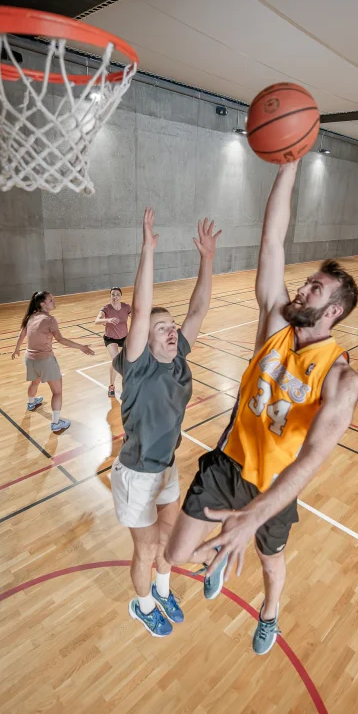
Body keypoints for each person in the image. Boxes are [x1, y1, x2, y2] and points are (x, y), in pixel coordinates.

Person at [165, 161, 358, 654]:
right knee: (176, 554)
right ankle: (222, 550)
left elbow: (312, 458)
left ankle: (270, 612)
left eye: (314, 288)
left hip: (274, 487)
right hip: (228, 462)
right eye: (307, 281)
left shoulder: (340, 377)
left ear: (333, 311)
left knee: (271, 561)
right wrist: (289, 165)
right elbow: (272, 241)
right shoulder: (275, 319)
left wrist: (252, 516)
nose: (302, 288)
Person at [111, 208, 221, 638]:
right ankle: (141, 605)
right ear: (145, 337)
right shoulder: (137, 367)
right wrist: (148, 250)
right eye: (162, 328)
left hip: (167, 468)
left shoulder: (179, 360)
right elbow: (139, 311)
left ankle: (162, 588)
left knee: (170, 540)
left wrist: (207, 259)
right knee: (148, 547)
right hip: (136, 474)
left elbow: (199, 306)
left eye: (172, 326)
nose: (171, 331)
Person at [12, 290, 94, 433]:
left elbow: (21, 335)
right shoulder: (50, 320)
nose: (54, 302)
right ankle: (56, 423)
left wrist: (16, 349)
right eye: (51, 300)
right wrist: (82, 347)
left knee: (34, 382)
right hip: (46, 361)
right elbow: (61, 339)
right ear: (43, 304)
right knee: (57, 392)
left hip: (29, 359)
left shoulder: (30, 317)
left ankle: (31, 404)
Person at [94, 287, 131, 398]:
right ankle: (111, 386)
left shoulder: (126, 307)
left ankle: (128, 385)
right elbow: (97, 321)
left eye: (117, 295)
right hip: (110, 338)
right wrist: (107, 320)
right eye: (113, 295)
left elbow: (137, 316)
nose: (115, 297)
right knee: (116, 360)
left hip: (124, 337)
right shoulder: (106, 308)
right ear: (110, 296)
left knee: (128, 361)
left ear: (121, 296)